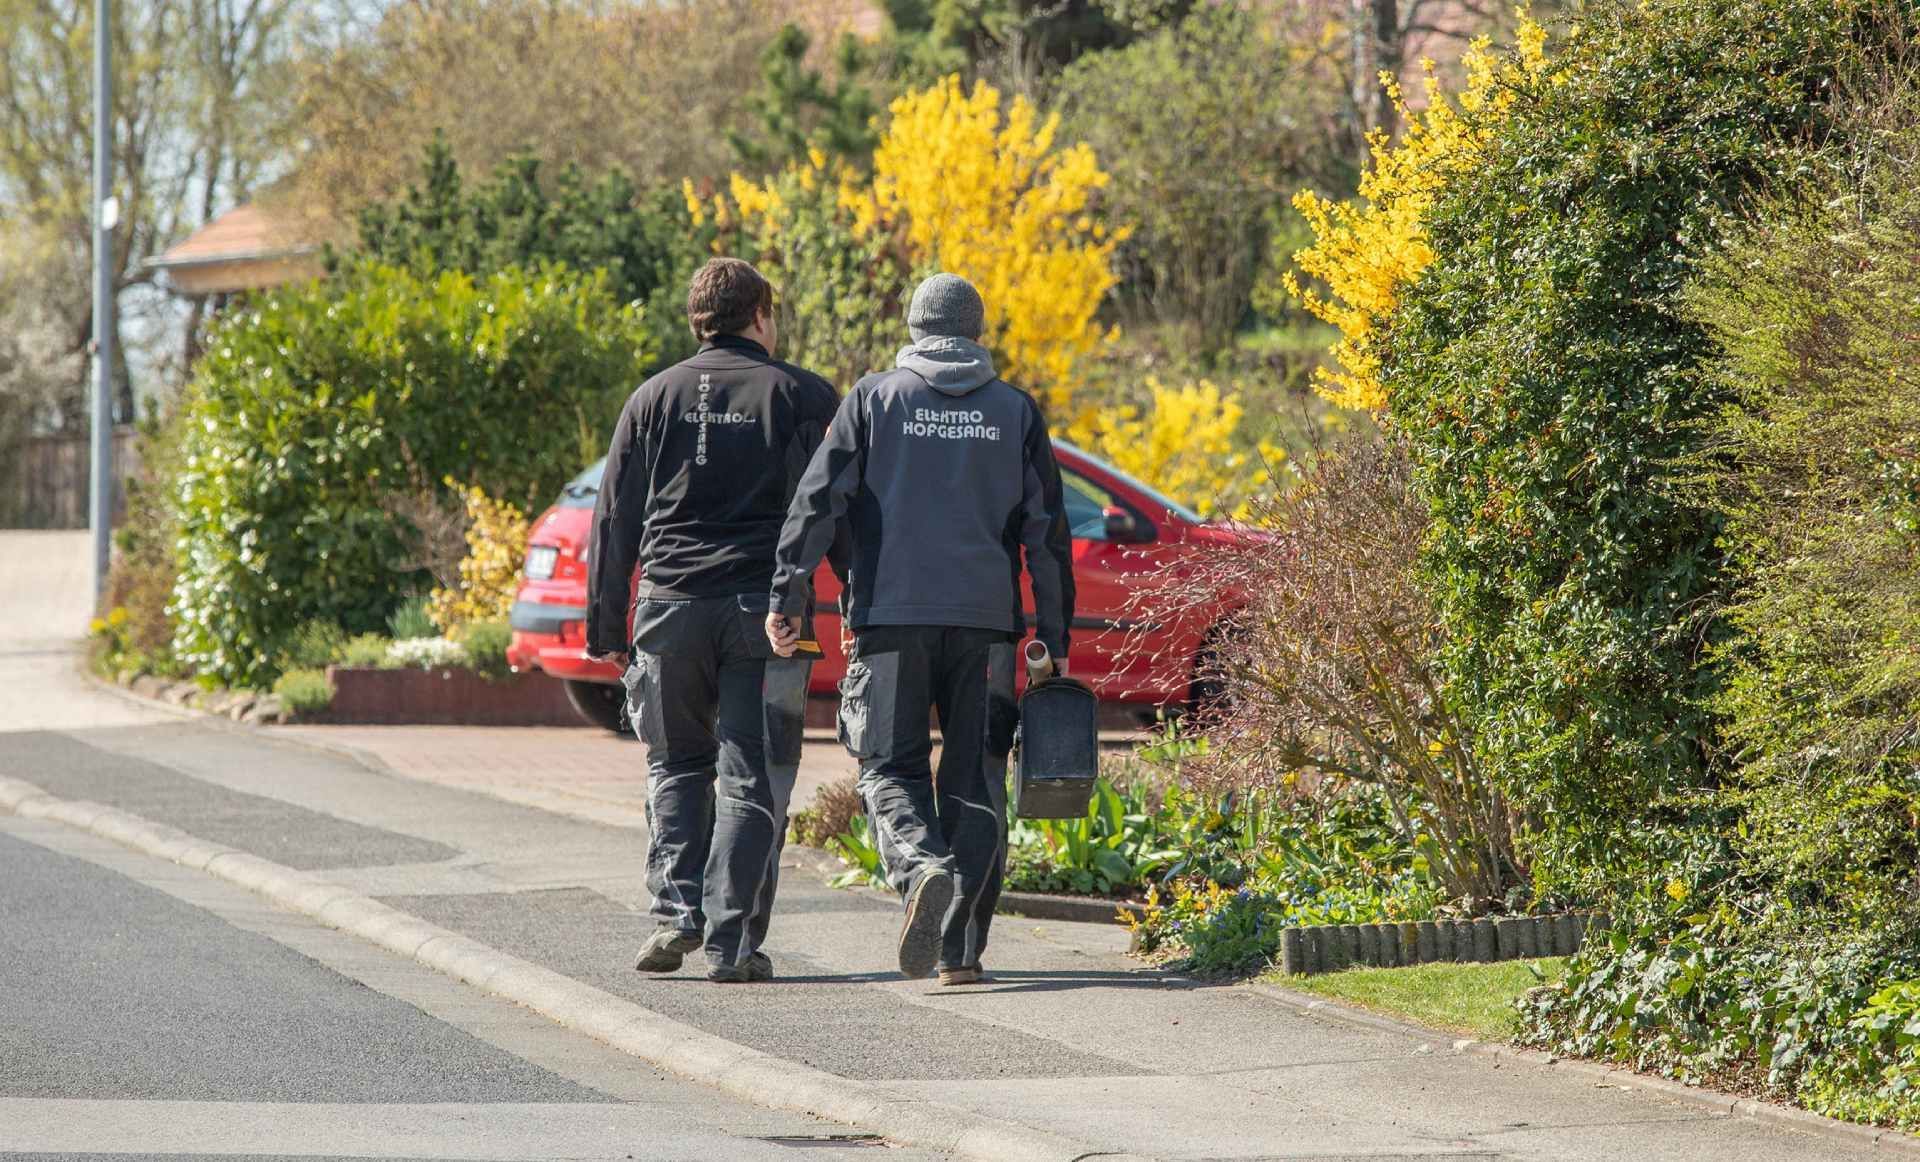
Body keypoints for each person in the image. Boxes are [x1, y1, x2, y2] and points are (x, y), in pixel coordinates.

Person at [765, 272, 1075, 984]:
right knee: (976, 777)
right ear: (976, 330)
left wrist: (788, 593)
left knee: (889, 767)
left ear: (913, 328)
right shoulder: (1014, 411)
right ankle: (960, 954)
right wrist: (1052, 639)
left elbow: (815, 505)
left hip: (889, 622)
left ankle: (921, 866)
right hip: (988, 631)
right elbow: (1047, 535)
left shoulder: (874, 400)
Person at [587, 257, 841, 983]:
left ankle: (675, 915)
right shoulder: (801, 396)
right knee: (752, 774)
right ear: (759, 315)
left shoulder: (652, 397)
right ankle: (733, 942)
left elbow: (614, 519)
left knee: (675, 763)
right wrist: (858, 599)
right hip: (767, 617)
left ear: (697, 319)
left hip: (667, 609)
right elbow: (836, 509)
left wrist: (606, 628)